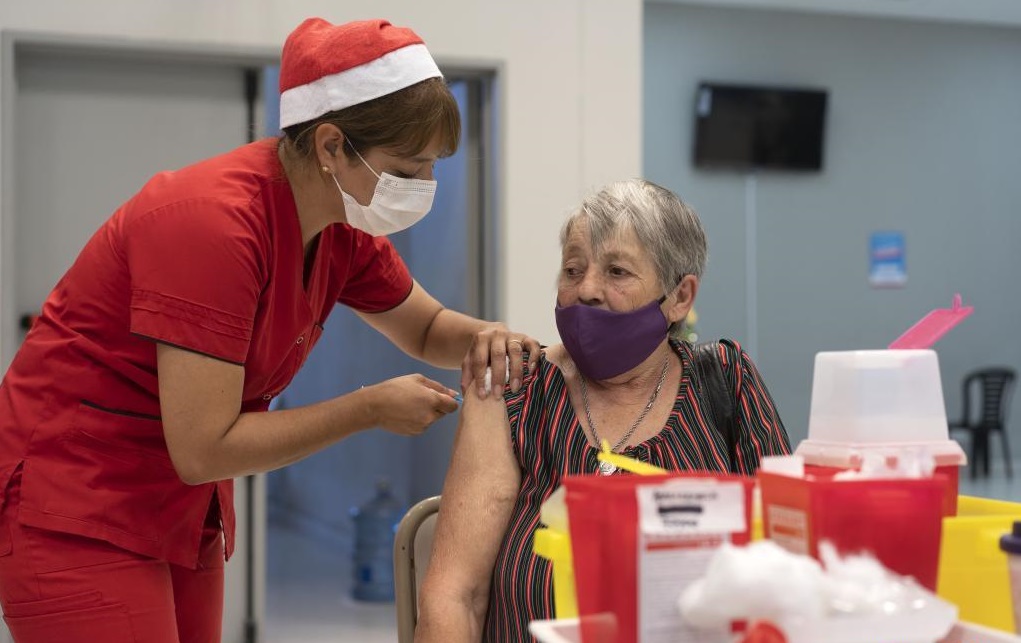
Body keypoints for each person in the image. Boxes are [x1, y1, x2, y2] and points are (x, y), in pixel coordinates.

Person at [0, 17, 538, 643]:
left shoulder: (341, 224)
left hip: (176, 506)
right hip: (78, 500)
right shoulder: (213, 225)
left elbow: (428, 329)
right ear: (331, 145)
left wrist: (506, 342)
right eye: (407, 169)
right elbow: (205, 447)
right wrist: (368, 408)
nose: (422, 190)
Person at [415, 179, 792, 642]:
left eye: (617, 272)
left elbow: (790, 564)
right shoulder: (513, 388)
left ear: (680, 297)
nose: (587, 289)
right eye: (573, 270)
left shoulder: (726, 380)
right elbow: (457, 595)